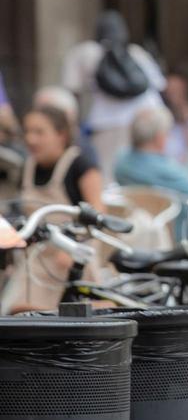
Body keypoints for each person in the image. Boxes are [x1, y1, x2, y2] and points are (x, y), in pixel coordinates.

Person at [3, 106, 106, 313]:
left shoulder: (80, 164)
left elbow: (98, 213)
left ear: (61, 135)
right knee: (17, 313)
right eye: (28, 132)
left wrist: (75, 247)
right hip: (36, 260)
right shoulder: (28, 167)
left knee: (73, 317)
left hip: (72, 258)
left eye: (39, 132)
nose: (31, 139)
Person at [61, 10, 167, 181]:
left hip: (108, 124)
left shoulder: (85, 53)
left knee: (108, 175)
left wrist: (74, 124)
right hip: (147, 119)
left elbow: (72, 91)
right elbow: (160, 85)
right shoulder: (137, 52)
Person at [115, 107, 188, 238]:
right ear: (159, 138)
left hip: (135, 231)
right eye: (168, 134)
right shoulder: (166, 170)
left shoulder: (121, 161)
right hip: (173, 238)